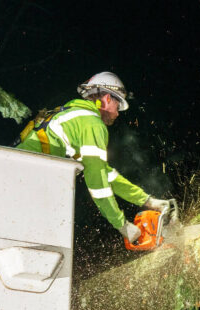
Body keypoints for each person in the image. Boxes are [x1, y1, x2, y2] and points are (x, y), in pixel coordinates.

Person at [16, 72, 170, 244]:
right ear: (107, 98)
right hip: (27, 179)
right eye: (117, 105)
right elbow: (97, 183)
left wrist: (146, 200)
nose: (117, 114)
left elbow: (104, 172)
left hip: (23, 176)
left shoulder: (75, 115)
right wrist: (121, 224)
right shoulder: (92, 123)